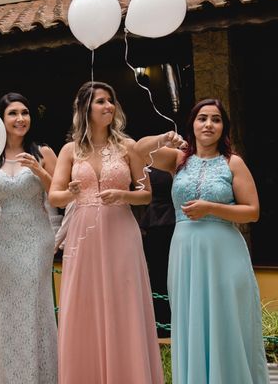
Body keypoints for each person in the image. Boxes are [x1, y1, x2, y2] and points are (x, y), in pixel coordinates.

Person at [135, 98, 269, 384]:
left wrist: (211, 208)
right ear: (192, 125)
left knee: (225, 321)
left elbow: (253, 211)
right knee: (190, 319)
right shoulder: (178, 159)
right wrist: (164, 138)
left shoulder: (233, 163)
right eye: (202, 118)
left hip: (224, 251)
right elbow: (137, 149)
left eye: (216, 119)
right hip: (185, 251)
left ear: (224, 128)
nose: (209, 124)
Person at [49, 81, 164, 384]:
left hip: (121, 232)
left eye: (111, 101)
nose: (109, 106)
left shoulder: (128, 146)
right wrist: (71, 192)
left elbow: (146, 194)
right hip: (83, 235)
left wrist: (124, 196)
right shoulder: (70, 150)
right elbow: (54, 197)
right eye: (101, 101)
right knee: (84, 304)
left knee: (123, 299)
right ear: (86, 109)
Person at [0, 92, 58, 384]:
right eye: (13, 113)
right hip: (0, 240)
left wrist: (39, 171)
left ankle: (42, 376)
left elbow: (60, 194)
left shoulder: (43, 152)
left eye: (25, 112)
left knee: (35, 305)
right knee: (6, 308)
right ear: (1, 119)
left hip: (36, 238)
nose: (20, 118)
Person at [139, 167, 175, 338]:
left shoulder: (148, 166)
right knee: (160, 276)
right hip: (160, 223)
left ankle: (162, 325)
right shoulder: (149, 167)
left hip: (160, 223)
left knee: (159, 276)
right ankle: (163, 324)